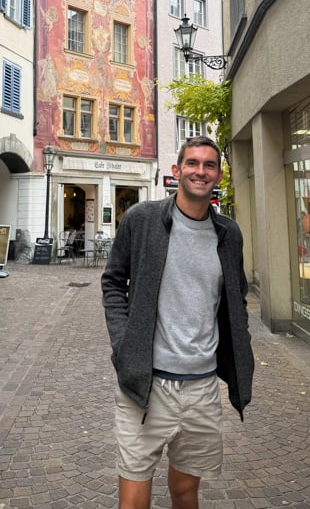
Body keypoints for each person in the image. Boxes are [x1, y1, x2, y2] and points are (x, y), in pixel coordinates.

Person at [101, 136, 254, 509]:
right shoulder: (142, 219)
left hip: (201, 389)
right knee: (134, 501)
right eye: (192, 163)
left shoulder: (229, 234)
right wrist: (124, 346)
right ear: (177, 170)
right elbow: (112, 281)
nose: (200, 171)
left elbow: (237, 297)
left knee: (186, 492)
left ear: (219, 174)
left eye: (209, 165)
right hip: (145, 387)